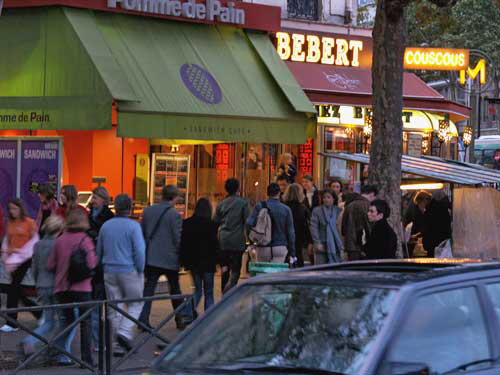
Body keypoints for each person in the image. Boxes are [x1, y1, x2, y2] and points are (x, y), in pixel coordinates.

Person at [96, 194, 145, 356]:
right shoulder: (133, 227)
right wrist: (140, 269)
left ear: (115, 207)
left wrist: (102, 263)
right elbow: (139, 251)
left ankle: (116, 345)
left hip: (109, 270)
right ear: (130, 208)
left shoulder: (106, 226)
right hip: (129, 269)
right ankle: (124, 333)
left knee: (113, 309)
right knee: (136, 303)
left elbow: (99, 250)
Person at [20, 215, 75, 357]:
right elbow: (62, 268)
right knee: (66, 321)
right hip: (56, 287)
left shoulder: (38, 245)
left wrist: (38, 284)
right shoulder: (59, 244)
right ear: (59, 229)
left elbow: (35, 268)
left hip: (42, 286)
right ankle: (60, 351)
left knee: (49, 321)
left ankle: (29, 340)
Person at [47, 209, 97, 366]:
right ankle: (86, 359)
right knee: (86, 323)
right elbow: (92, 263)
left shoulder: (60, 240)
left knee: (67, 322)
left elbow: (50, 265)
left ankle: (52, 349)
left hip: (62, 288)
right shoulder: (86, 240)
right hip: (82, 289)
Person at [139, 185, 190, 330]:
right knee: (175, 289)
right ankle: (179, 319)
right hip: (169, 258)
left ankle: (143, 320)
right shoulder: (174, 215)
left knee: (148, 290)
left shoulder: (148, 211)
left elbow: (143, 233)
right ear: (174, 197)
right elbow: (177, 238)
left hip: (151, 257)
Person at [0, 198, 40, 332]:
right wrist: (5, 253)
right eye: (10, 209)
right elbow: (7, 238)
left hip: (24, 259)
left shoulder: (29, 222)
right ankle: (39, 313)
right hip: (12, 259)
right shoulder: (10, 222)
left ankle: (12, 323)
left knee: (12, 290)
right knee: (17, 290)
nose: (12, 211)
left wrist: (22, 253)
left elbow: (35, 240)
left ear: (20, 208)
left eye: (15, 208)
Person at [87, 186, 114, 351]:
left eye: (95, 197)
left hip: (104, 266)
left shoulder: (109, 217)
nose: (92, 200)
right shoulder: (88, 214)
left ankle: (108, 342)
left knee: (107, 308)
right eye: (92, 197)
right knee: (94, 308)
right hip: (90, 266)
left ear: (103, 200)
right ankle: (97, 342)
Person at [180, 198, 218, 314]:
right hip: (208, 263)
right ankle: (208, 317)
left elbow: (184, 244)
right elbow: (215, 245)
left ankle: (186, 312)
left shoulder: (187, 223)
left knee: (197, 290)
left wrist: (183, 261)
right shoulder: (212, 225)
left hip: (194, 263)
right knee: (209, 292)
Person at [214, 178, 249, 294]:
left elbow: (215, 221)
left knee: (225, 268)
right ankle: (230, 290)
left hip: (223, 240)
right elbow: (247, 221)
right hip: (237, 241)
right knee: (235, 270)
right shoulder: (243, 203)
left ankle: (225, 292)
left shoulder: (221, 204)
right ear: (238, 188)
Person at [247, 183, 295, 263]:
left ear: (267, 193)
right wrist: (292, 251)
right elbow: (291, 232)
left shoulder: (260, 206)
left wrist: (251, 241)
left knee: (263, 273)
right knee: (276, 273)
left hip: (263, 246)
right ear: (279, 193)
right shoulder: (286, 209)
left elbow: (249, 223)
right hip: (280, 246)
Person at [341, 184, 378, 261]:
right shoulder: (367, 205)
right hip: (362, 244)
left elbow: (343, 228)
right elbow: (369, 226)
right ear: (372, 195)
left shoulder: (349, 205)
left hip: (350, 244)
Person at [310, 189, 343, 264]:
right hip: (321, 243)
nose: (326, 199)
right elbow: (314, 227)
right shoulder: (317, 210)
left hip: (335, 244)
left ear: (333, 199)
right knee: (320, 267)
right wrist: (317, 242)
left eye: (328, 197)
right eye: (324, 197)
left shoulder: (338, 210)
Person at [283, 183, 309, 267]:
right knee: (299, 258)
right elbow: (306, 225)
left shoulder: (283, 207)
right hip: (299, 238)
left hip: (284, 238)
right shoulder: (303, 208)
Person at [423, 191, 451, 257]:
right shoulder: (444, 211)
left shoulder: (428, 210)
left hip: (430, 245)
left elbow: (426, 228)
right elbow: (447, 228)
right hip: (442, 244)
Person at [404, 190, 432, 257]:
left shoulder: (424, 211)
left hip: (419, 240)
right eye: (427, 199)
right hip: (413, 241)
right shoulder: (414, 211)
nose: (429, 201)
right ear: (421, 200)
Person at [301, 175, 320, 265]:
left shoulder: (318, 194)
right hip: (306, 225)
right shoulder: (302, 195)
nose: (304, 184)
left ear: (312, 182)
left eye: (306, 182)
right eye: (303, 182)